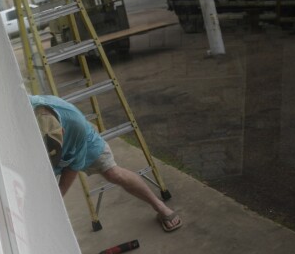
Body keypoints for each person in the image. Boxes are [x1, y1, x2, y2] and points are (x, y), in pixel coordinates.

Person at [30, 94, 182, 232]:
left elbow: (72, 167)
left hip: (83, 142)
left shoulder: (76, 125)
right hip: (35, 149)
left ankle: (160, 207)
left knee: (113, 173)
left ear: (62, 132)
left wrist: (58, 198)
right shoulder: (23, 108)